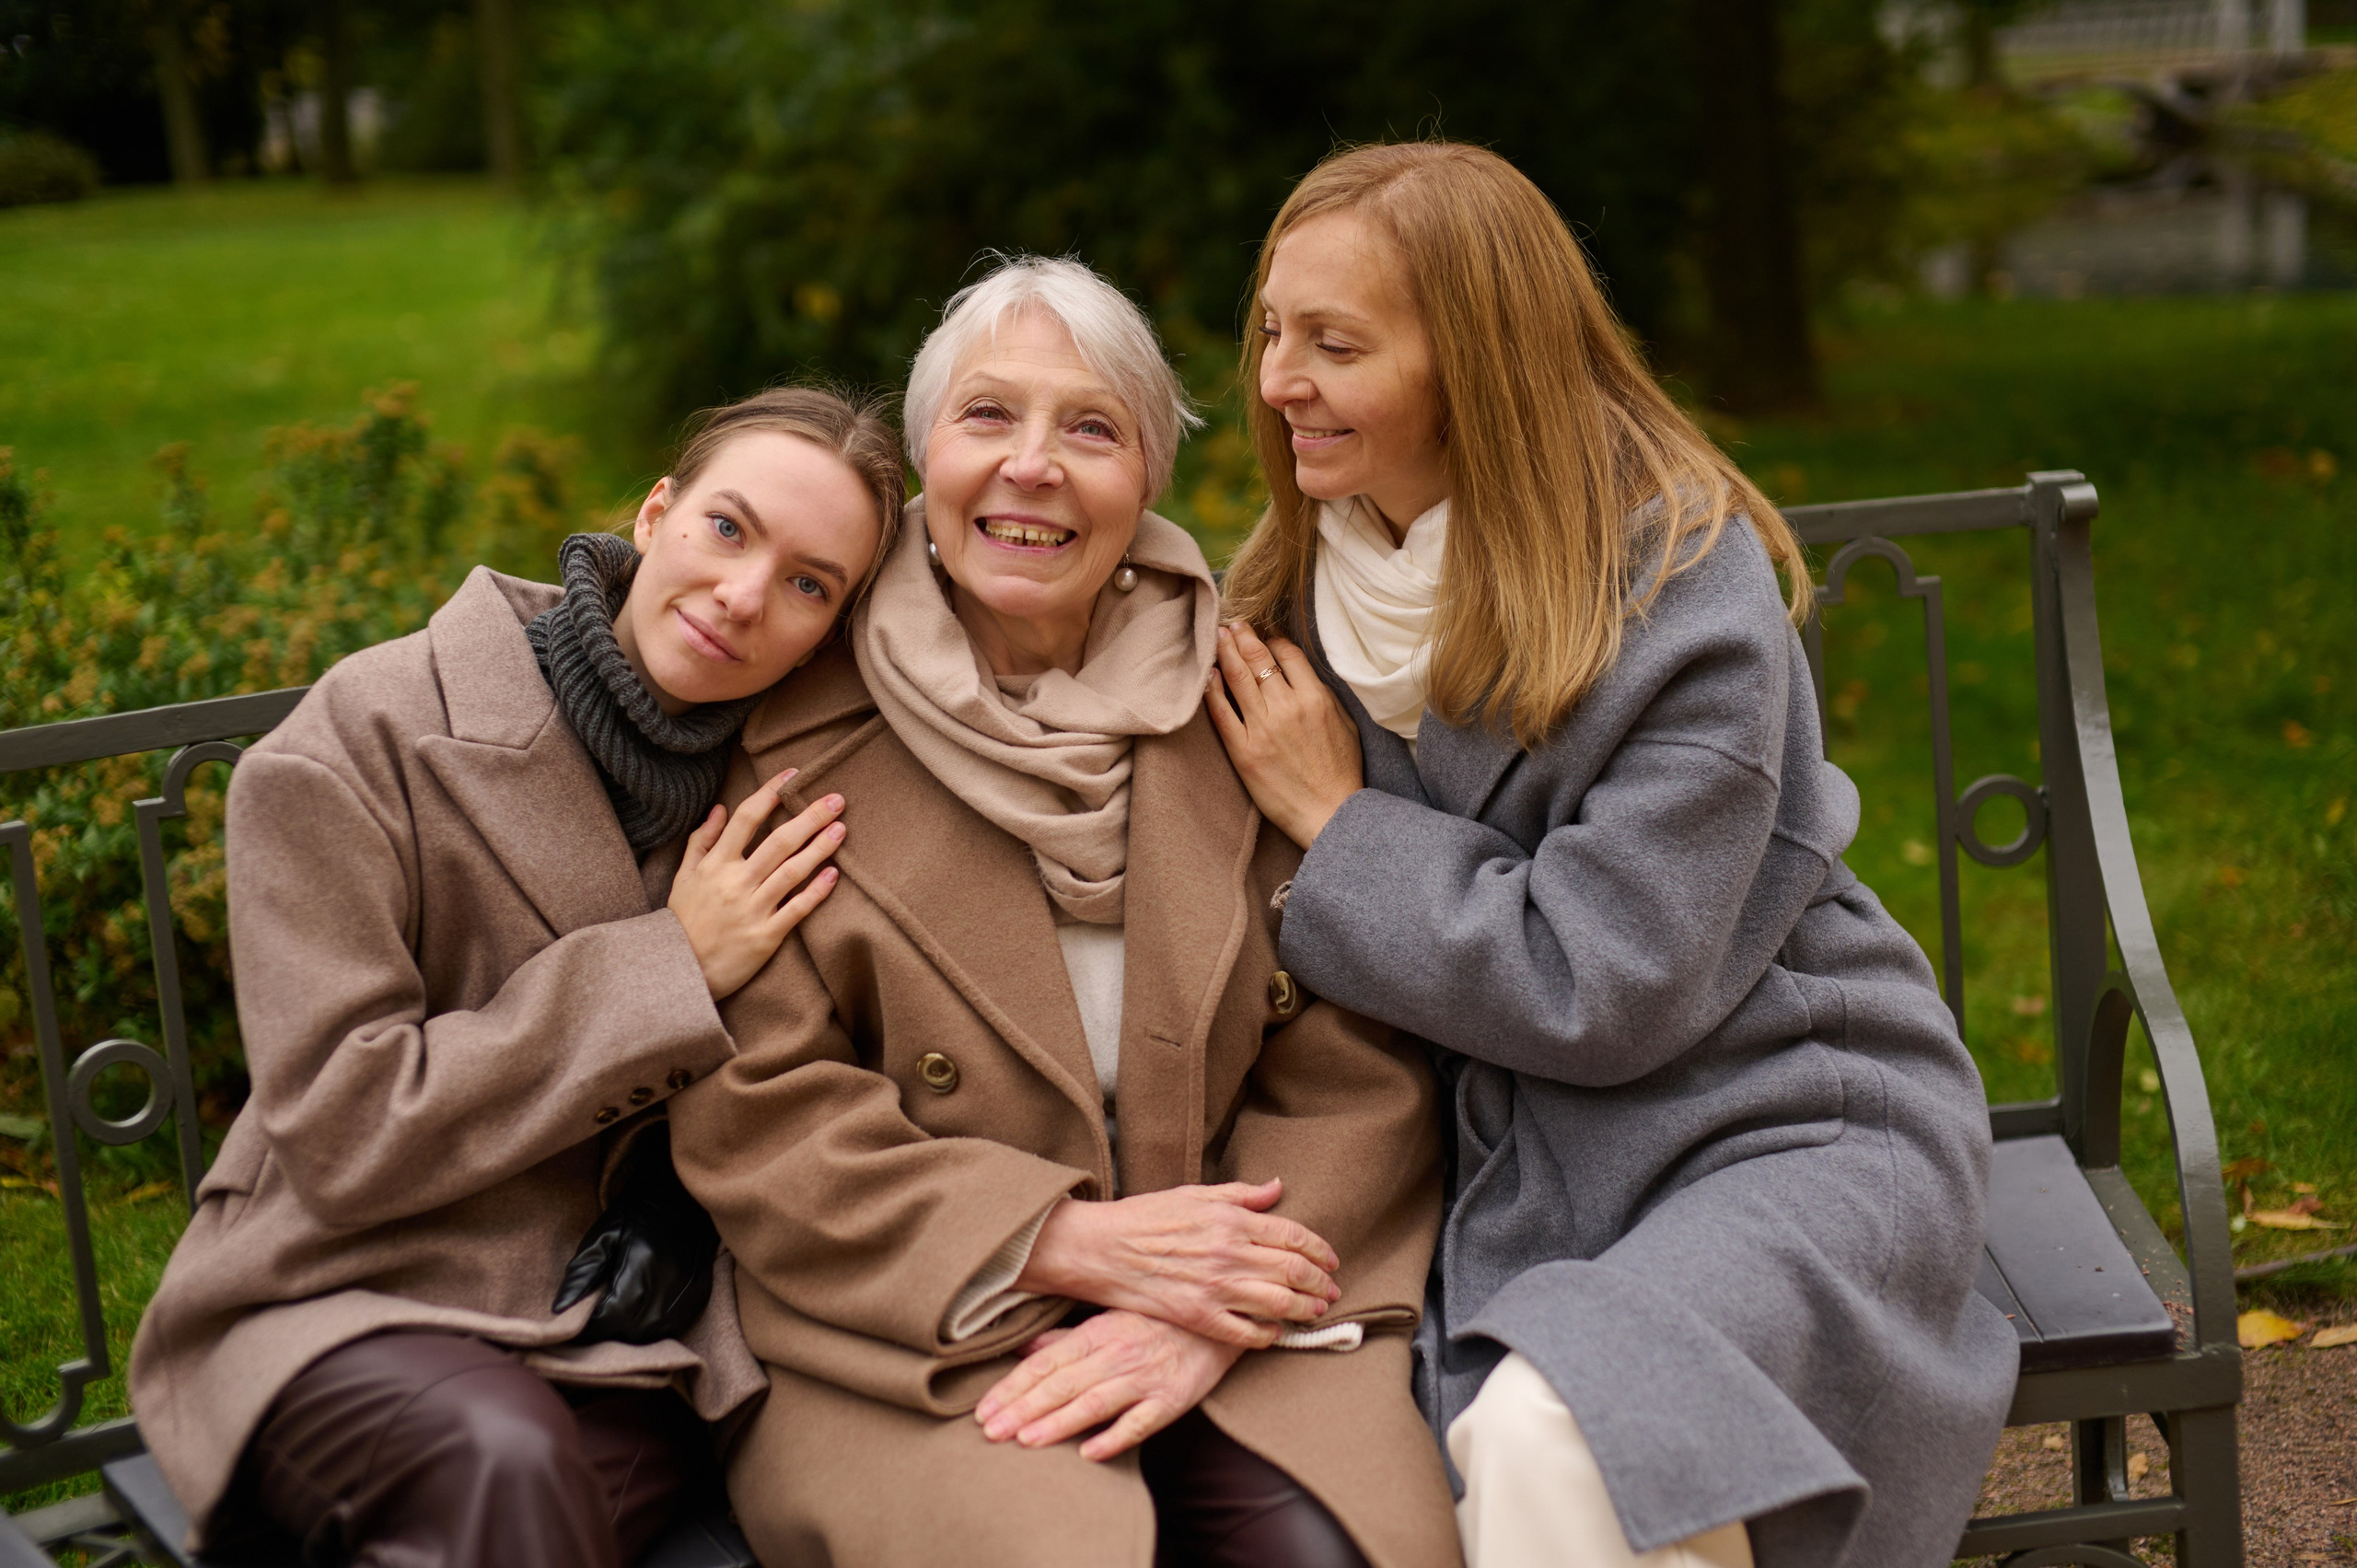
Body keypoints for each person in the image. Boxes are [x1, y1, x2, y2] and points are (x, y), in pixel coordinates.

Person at [1205, 142, 2017, 1568]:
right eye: (1273, 328)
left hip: (1775, 1114)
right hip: (1494, 1164)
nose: (1277, 381)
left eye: (1336, 343)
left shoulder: (1674, 579)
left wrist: (1342, 826)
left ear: (1481, 362)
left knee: (1553, 1433)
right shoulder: (1282, 592)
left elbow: (1606, 978)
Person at [668, 256, 1460, 1568]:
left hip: (1244, 1295)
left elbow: (1357, 1056)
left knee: (1337, 1548)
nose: (1033, 467)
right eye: (988, 418)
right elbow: (763, 1110)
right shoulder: (791, 729)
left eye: (1091, 428)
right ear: (926, 457)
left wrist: (1204, 1302)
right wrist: (1063, 1241)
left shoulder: (1250, 706)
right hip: (911, 1330)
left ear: (1146, 477)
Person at [127, 387, 904, 1568]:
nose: (744, 596)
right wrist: (670, 965)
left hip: (621, 1331)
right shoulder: (365, 735)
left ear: (832, 630)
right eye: (728, 529)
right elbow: (344, 1124)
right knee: (513, 1470)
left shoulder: (790, 791)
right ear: (656, 513)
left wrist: (676, 1206)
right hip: (345, 1294)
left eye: (809, 583)